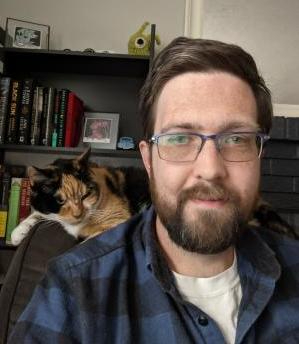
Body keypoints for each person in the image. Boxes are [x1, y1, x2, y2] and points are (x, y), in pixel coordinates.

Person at [9, 37, 299, 343]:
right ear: (148, 160)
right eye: (179, 139)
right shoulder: (72, 290)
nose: (211, 169)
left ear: (259, 155)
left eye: (236, 138)